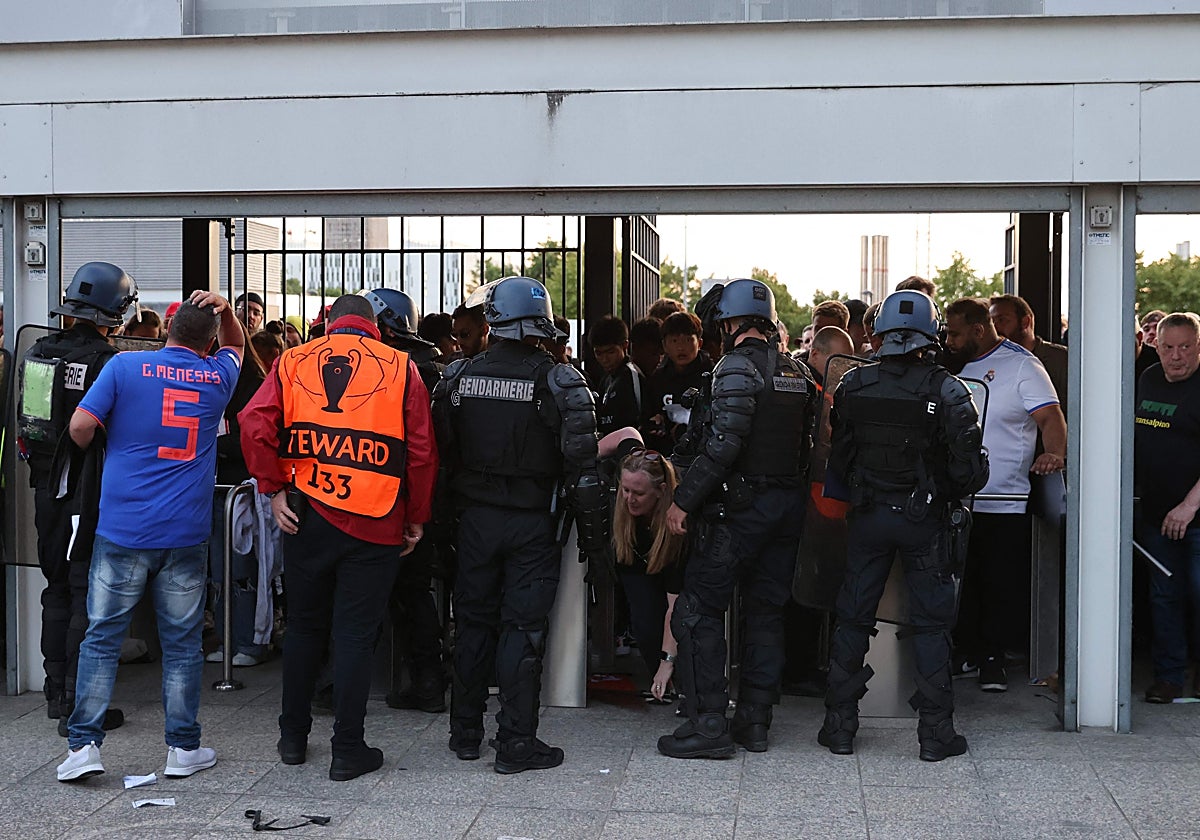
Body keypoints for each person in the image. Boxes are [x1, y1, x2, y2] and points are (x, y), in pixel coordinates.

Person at [239, 294, 438, 782]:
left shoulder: (292, 360)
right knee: (354, 635)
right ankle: (348, 749)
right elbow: (421, 451)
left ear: (328, 324)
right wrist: (416, 517)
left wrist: (272, 488)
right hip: (377, 519)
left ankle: (292, 738)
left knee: (305, 629)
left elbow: (253, 422)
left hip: (307, 517)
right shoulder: (401, 367)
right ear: (378, 328)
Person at [56, 291, 242, 782]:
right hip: (185, 532)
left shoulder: (124, 367)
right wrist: (224, 310)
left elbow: (79, 426)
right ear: (207, 344)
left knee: (101, 636)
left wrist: (105, 444)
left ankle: (83, 749)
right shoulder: (216, 377)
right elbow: (237, 347)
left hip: (122, 528)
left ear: (166, 332)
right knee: (182, 644)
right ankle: (182, 749)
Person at [433, 275, 610, 774]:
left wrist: (441, 527)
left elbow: (442, 462)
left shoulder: (456, 378)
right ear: (542, 323)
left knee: (471, 625)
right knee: (523, 631)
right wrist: (597, 549)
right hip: (534, 524)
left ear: (493, 320)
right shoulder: (562, 382)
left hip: (474, 523)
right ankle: (515, 742)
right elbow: (584, 473)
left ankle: (464, 733)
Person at [817, 290, 989, 762]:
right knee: (932, 626)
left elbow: (841, 454)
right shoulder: (949, 390)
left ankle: (839, 727)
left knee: (852, 618)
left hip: (869, 516)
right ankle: (935, 735)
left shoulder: (854, 384)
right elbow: (970, 472)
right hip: (924, 521)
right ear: (930, 334)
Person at [657, 278, 817, 759]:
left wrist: (683, 500)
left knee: (698, 611)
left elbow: (724, 443)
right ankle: (755, 723)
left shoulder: (734, 368)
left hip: (738, 511)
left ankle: (708, 725)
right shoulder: (796, 371)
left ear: (729, 323)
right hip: (785, 509)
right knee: (766, 614)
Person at [18, 262, 137, 739]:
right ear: (116, 312)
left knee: (55, 589)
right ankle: (76, 704)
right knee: (86, 591)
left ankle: (52, 694)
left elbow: (30, 425)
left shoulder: (38, 352)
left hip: (44, 490)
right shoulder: (110, 362)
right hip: (89, 495)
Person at [943, 297, 1066, 692]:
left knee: (998, 581)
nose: (949, 339)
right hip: (959, 497)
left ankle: (993, 659)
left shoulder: (1023, 365)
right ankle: (967, 651)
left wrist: (1055, 454)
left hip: (1005, 497)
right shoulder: (956, 366)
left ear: (978, 330)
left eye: (956, 332)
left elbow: (1050, 417)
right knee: (965, 579)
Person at [363, 287, 449, 714]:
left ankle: (421, 681)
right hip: (421, 497)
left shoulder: (394, 370)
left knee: (387, 594)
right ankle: (428, 678)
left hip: (393, 498)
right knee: (411, 594)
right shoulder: (434, 368)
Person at [1134, 313, 1200, 703]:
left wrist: (1188, 507)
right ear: (1154, 344)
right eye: (1168, 347)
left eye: (1185, 347)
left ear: (1198, 346)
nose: (1176, 357)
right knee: (1164, 597)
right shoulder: (1148, 379)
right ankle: (1170, 676)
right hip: (1155, 514)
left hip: (1195, 516)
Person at [206, 326, 269, 669]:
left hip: (240, 492)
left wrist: (205, 447)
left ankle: (249, 640)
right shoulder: (210, 383)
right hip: (213, 489)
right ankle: (227, 637)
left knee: (242, 570)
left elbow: (252, 440)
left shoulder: (252, 387)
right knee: (218, 572)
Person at [608, 441, 688, 699]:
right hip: (632, 558)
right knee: (643, 622)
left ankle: (670, 675)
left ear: (661, 491)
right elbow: (628, 434)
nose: (629, 499)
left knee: (665, 620)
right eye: (625, 490)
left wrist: (667, 662)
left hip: (664, 563)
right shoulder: (630, 473)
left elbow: (674, 605)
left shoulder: (676, 528)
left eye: (638, 493)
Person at [644, 311, 712, 454]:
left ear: (699, 343)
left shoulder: (711, 375)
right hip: (666, 452)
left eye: (688, 340)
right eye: (674, 341)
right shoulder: (658, 379)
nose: (681, 347)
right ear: (665, 345)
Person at [989, 294, 1068, 412]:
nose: (995, 328)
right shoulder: (992, 363)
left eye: (1002, 320)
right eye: (991, 322)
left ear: (1025, 322)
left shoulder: (1061, 360)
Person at [589, 315, 649, 437]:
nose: (604, 359)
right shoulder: (606, 379)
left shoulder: (631, 375)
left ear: (625, 346)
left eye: (610, 352)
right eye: (598, 353)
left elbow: (638, 421)